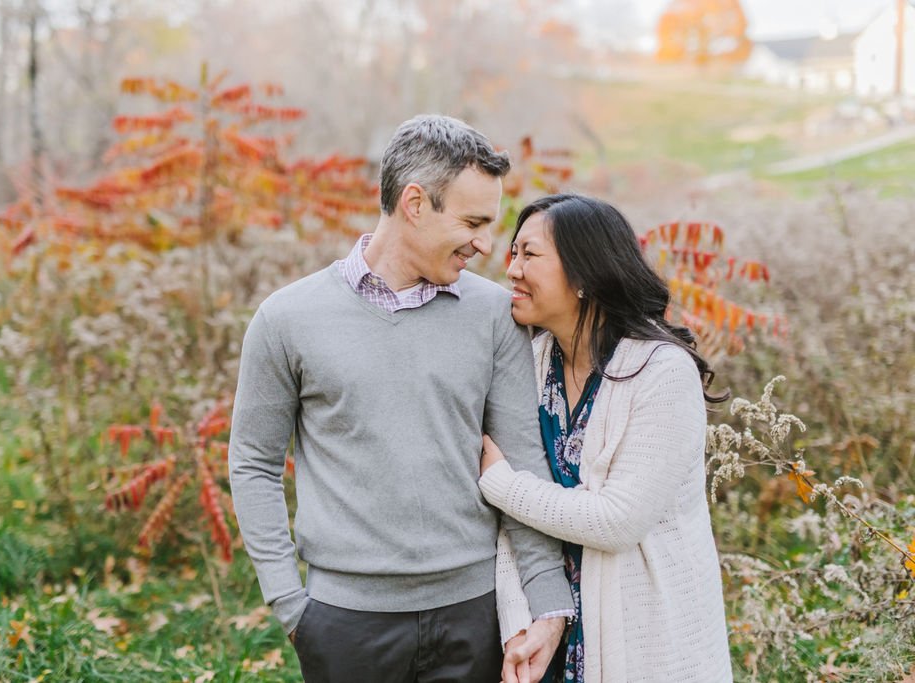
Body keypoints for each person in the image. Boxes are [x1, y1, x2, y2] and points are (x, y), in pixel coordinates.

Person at [228, 115, 575, 682]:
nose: (487, 245)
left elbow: (523, 466)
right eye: (473, 221)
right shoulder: (287, 319)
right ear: (415, 204)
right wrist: (290, 606)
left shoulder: (494, 315)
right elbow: (253, 463)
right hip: (344, 623)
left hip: (475, 616)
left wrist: (547, 605)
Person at [479, 193, 734, 683]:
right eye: (513, 253)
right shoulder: (528, 365)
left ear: (583, 275)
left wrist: (500, 483)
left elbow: (618, 520)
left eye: (529, 254)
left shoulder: (660, 373)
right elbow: (510, 526)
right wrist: (518, 625)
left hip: (646, 641)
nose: (511, 269)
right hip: (549, 636)